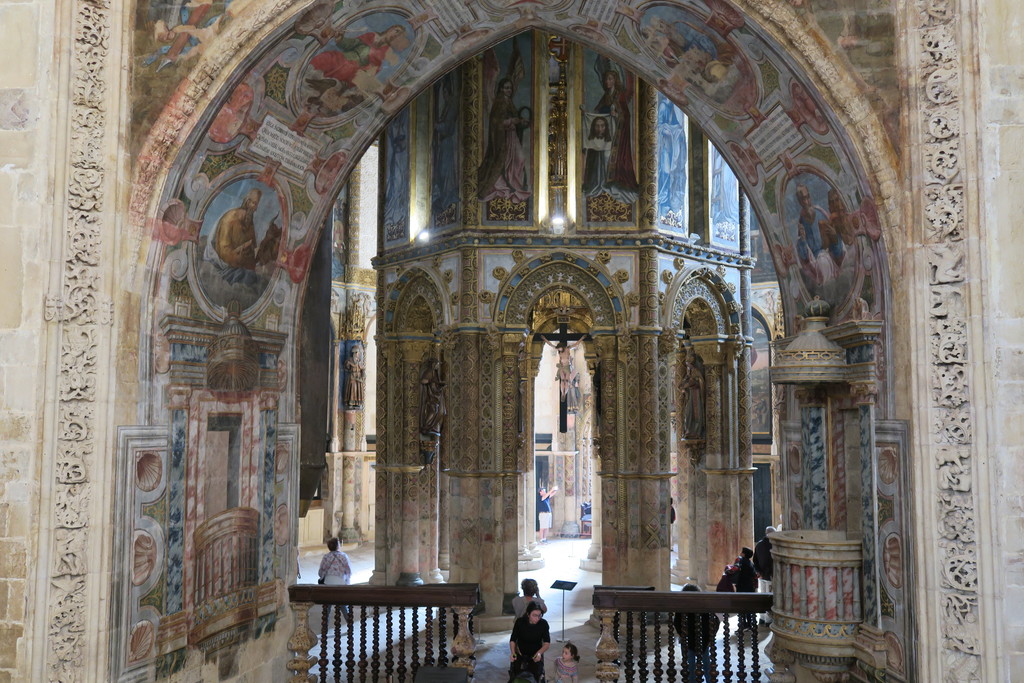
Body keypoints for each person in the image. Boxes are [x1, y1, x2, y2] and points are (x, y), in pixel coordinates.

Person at [478, 76, 531, 203]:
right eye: (506, 88)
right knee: (509, 162)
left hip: (512, 137)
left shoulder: (508, 101)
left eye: (510, 88)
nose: (509, 90)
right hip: (504, 139)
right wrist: (513, 121)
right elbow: (497, 122)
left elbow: (513, 117)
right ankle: (503, 186)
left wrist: (519, 121)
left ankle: (513, 184)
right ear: (501, 89)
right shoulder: (500, 102)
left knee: (518, 160)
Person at [673, 583, 720, 683]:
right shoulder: (704, 606)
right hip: (704, 640)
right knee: (707, 666)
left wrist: (682, 635)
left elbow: (676, 622)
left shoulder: (682, 608)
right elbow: (715, 621)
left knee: (690, 667)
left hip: (688, 641)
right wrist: (711, 636)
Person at [509, 602, 550, 682]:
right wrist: (513, 653)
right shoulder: (520, 622)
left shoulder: (543, 624)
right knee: (517, 677)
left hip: (535, 656)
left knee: (536, 677)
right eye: (534, 615)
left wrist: (539, 653)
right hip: (520, 654)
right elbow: (513, 640)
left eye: (539, 615)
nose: (537, 618)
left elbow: (547, 643)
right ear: (528, 614)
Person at [680, 348, 706, 439]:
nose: (688, 367)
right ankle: (689, 430)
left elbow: (700, 382)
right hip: (690, 395)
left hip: (696, 394)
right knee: (688, 412)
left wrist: (692, 383)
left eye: (689, 365)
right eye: (687, 365)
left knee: (696, 413)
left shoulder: (696, 371)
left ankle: (696, 431)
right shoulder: (689, 372)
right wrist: (684, 386)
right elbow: (683, 383)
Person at [753, 527, 776, 625]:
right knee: (769, 598)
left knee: (762, 596)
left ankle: (762, 619)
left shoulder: (759, 544)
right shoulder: (774, 545)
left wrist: (759, 572)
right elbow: (773, 561)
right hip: (771, 576)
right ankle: (768, 620)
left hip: (762, 576)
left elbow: (755, 560)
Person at [418, 357, 446, 437]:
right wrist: (430, 381)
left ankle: (433, 427)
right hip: (431, 396)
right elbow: (423, 380)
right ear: (433, 365)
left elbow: (436, 384)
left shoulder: (436, 373)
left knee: (442, 411)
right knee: (433, 410)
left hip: (437, 395)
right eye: (437, 364)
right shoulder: (429, 372)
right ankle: (427, 426)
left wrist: (439, 385)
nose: (438, 366)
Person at [731, 546, 758, 631]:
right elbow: (755, 575)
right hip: (750, 587)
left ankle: (743, 625)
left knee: (741, 607)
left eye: (742, 552)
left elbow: (734, 569)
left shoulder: (740, 560)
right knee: (748, 607)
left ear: (743, 554)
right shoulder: (750, 563)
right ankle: (750, 624)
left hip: (741, 587)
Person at [343, 344, 365, 408]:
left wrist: (362, 376)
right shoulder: (350, 360)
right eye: (355, 352)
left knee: (358, 389)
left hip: (358, 376)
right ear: (353, 353)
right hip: (352, 375)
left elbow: (362, 369)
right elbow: (346, 368)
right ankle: (351, 402)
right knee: (352, 388)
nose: (356, 354)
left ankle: (357, 402)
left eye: (357, 352)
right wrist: (348, 364)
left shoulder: (359, 360)